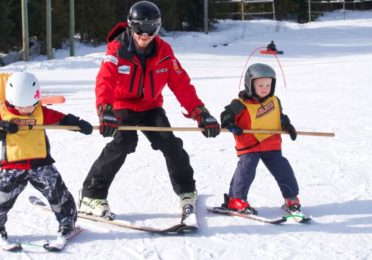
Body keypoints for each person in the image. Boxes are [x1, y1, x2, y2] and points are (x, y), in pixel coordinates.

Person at [78, 1, 221, 219]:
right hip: (122, 105)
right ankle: (91, 195)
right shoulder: (117, 50)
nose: (145, 35)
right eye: (139, 28)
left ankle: (186, 191)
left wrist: (200, 112)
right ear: (130, 26)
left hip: (150, 106)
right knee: (123, 142)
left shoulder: (164, 52)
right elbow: (104, 81)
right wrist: (105, 110)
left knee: (170, 143)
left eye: (151, 29)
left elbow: (181, 84)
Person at [0, 72, 93, 242]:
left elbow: (60, 119)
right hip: (13, 166)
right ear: (11, 101)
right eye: (22, 107)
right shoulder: (3, 115)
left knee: (57, 191)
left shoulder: (40, 112)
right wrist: (2, 127)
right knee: (2, 196)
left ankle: (67, 223)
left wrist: (78, 123)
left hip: (40, 163)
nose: (27, 110)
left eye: (31, 105)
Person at [219, 63, 301, 214]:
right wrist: (230, 125)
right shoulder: (240, 104)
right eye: (261, 85)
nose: (265, 88)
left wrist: (288, 126)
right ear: (250, 85)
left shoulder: (274, 101)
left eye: (268, 85)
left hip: (271, 144)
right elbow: (226, 116)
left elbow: (279, 117)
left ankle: (291, 198)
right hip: (249, 145)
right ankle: (237, 200)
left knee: (283, 168)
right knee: (246, 169)